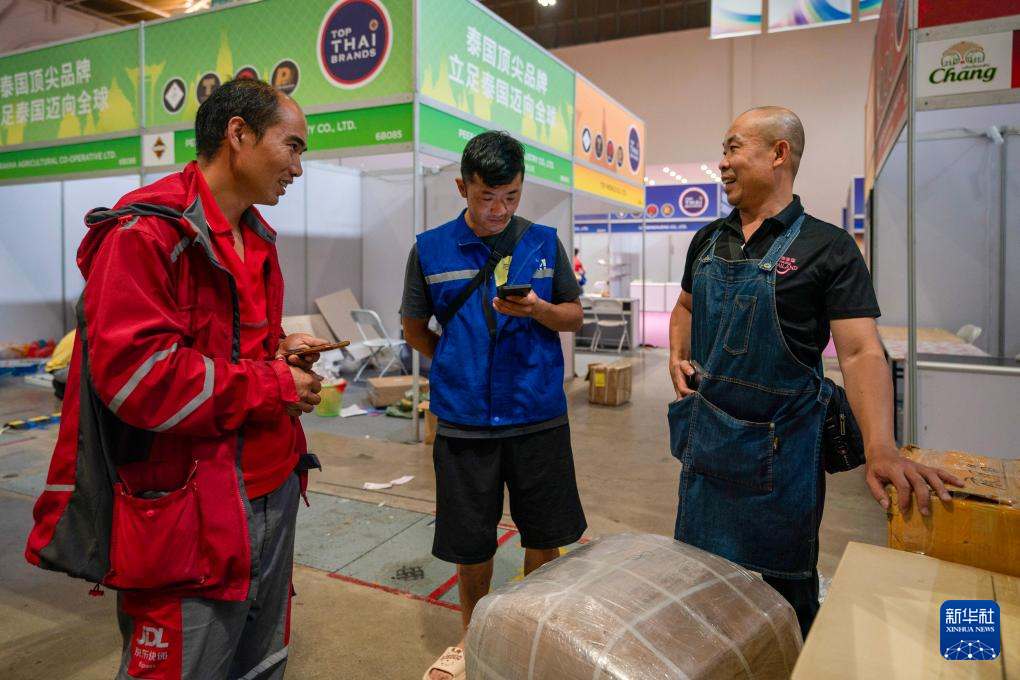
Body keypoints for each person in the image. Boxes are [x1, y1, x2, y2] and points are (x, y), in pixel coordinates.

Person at [25, 79, 328, 679]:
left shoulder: (255, 237)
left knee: (259, 661)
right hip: (190, 514)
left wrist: (281, 352)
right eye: (291, 146)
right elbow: (140, 379)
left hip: (272, 490)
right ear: (238, 134)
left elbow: (233, 348)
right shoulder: (145, 235)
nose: (298, 167)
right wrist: (274, 385)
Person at [667, 106, 963, 637]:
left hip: (782, 460)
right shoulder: (707, 239)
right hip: (707, 450)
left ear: (778, 153)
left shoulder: (828, 247)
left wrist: (881, 447)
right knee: (704, 595)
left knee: (782, 603)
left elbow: (861, 353)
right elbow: (685, 306)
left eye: (733, 148)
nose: (722, 162)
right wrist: (676, 353)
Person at [401, 131, 587, 680]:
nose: (499, 210)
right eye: (487, 197)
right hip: (464, 421)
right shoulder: (429, 249)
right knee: (471, 539)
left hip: (537, 414)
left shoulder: (543, 242)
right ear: (463, 188)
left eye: (511, 196)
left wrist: (540, 311)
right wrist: (458, 361)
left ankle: (530, 635)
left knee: (544, 533)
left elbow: (574, 316)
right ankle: (472, 637)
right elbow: (415, 329)